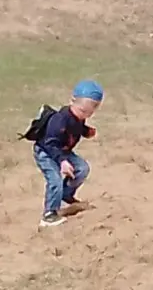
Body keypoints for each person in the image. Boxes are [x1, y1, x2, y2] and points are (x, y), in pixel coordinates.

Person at [33, 80, 104, 228]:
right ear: (72, 101)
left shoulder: (78, 117)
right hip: (46, 152)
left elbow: (76, 127)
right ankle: (49, 214)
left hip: (63, 151)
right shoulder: (59, 120)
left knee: (82, 168)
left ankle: (66, 194)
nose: (84, 115)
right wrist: (62, 161)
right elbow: (50, 143)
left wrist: (86, 131)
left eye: (89, 113)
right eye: (82, 111)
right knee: (55, 180)